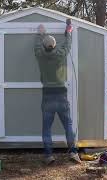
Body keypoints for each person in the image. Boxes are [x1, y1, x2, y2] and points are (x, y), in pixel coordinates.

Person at [34, 22, 81, 165]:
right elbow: (67, 44)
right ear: (54, 45)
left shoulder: (40, 55)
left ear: (44, 46)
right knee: (68, 125)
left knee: (46, 128)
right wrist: (68, 31)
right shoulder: (61, 53)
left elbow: (36, 46)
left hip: (47, 95)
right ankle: (73, 152)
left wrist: (40, 33)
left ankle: (48, 156)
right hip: (61, 95)